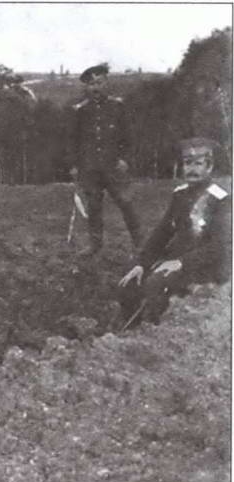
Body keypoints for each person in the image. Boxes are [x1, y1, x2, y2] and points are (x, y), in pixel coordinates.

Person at [117, 137, 231, 328]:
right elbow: (162, 233)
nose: (191, 169)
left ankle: (155, 334)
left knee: (156, 282)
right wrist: (141, 263)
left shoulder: (221, 199)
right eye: (187, 163)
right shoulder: (180, 194)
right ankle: (129, 334)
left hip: (204, 266)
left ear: (209, 167)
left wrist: (182, 262)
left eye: (198, 164)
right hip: (175, 260)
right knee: (130, 278)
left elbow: (221, 245)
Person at [69, 63, 142, 256]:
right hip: (90, 168)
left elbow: (129, 138)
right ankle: (95, 245)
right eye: (91, 84)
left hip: (114, 167)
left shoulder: (117, 107)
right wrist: (75, 165)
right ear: (86, 87)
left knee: (126, 203)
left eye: (99, 82)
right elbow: (74, 141)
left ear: (106, 83)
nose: (95, 88)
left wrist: (125, 160)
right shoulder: (81, 112)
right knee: (93, 207)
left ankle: (140, 244)